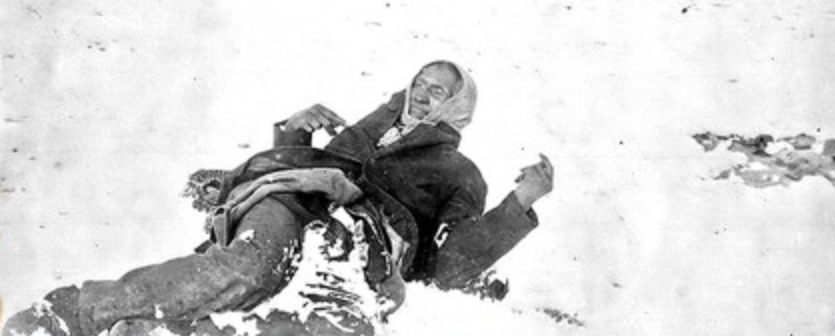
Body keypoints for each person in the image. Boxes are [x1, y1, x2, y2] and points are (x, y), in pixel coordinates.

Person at [2, 61, 555, 336]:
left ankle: (170, 326)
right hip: (296, 203)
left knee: (334, 322)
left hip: (363, 240)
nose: (422, 93)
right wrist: (293, 133)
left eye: (439, 91)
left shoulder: (459, 172)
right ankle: (73, 310)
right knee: (249, 265)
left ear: (457, 108)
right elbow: (307, 171)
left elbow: (449, 262)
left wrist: (519, 205)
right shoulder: (362, 129)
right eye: (420, 82)